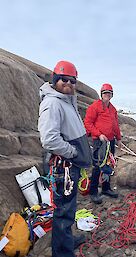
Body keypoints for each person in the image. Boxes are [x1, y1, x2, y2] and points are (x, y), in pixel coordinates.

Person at [38, 60, 91, 257]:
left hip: (70, 166)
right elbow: (49, 139)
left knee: (68, 209)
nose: (68, 84)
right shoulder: (52, 103)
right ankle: (62, 252)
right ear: (55, 80)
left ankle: (66, 243)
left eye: (72, 81)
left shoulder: (66, 101)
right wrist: (74, 153)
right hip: (64, 167)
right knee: (63, 212)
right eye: (63, 80)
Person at [84, 83, 121, 204]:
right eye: (105, 93)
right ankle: (93, 191)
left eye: (109, 93)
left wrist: (119, 138)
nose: (107, 95)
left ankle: (106, 188)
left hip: (110, 141)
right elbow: (88, 123)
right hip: (99, 141)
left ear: (111, 95)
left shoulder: (113, 109)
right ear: (101, 94)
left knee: (108, 165)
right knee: (97, 165)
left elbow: (115, 125)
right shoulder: (94, 107)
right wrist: (99, 134)